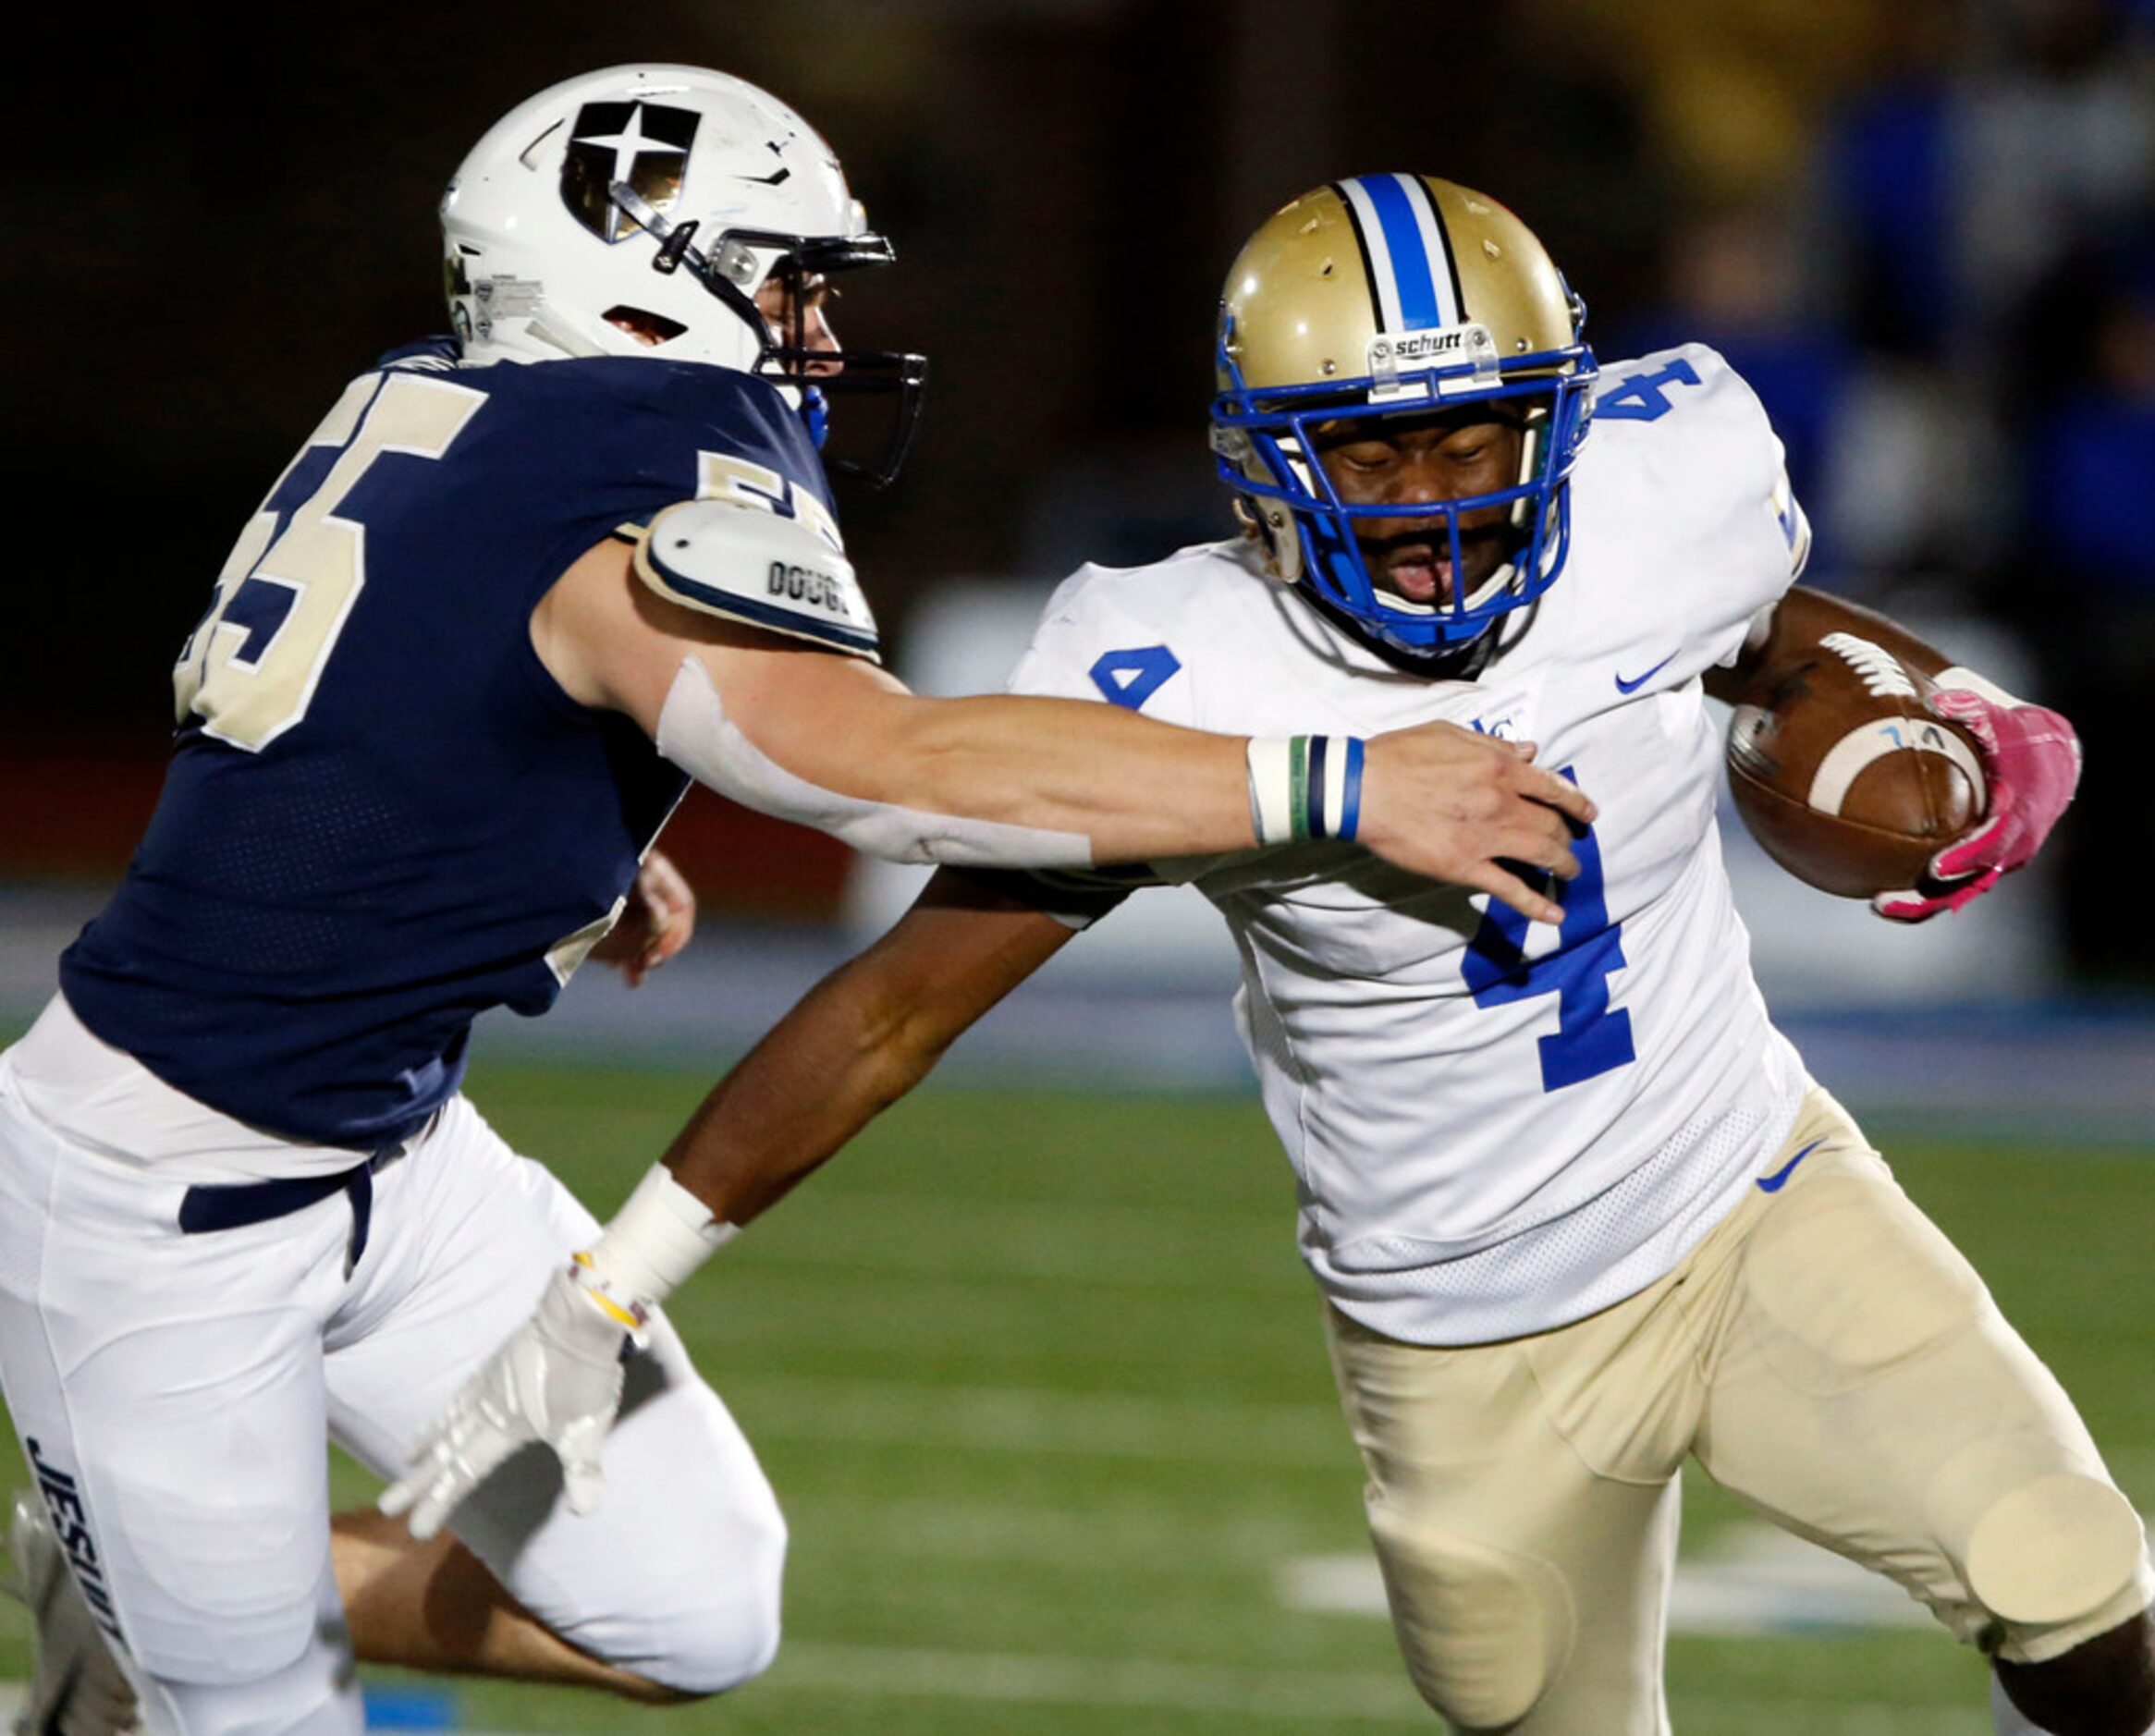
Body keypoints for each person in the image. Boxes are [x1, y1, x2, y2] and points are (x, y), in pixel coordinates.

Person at [383, 176, 2150, 1735]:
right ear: (1258, 460)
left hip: (1755, 1196)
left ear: (1560, 418)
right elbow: (894, 1011)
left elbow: (1759, 632)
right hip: (1458, 1336)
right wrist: (612, 1281)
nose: (1435, 501)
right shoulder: (1186, 675)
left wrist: (1942, 702)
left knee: (2080, 1588)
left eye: (1475, 440)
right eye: (1373, 451)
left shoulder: (1665, 490)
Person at [0, 66, 1596, 1734]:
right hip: (152, 1196)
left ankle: (155, 1581)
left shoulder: (443, 397)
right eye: (788, 284)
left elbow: (331, 705)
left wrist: (550, 856)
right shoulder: (624, 442)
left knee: (691, 1607)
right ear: (628, 270)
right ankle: (176, 1615)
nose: (817, 340)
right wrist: (1341, 785)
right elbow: (882, 769)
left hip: (393, 1160)